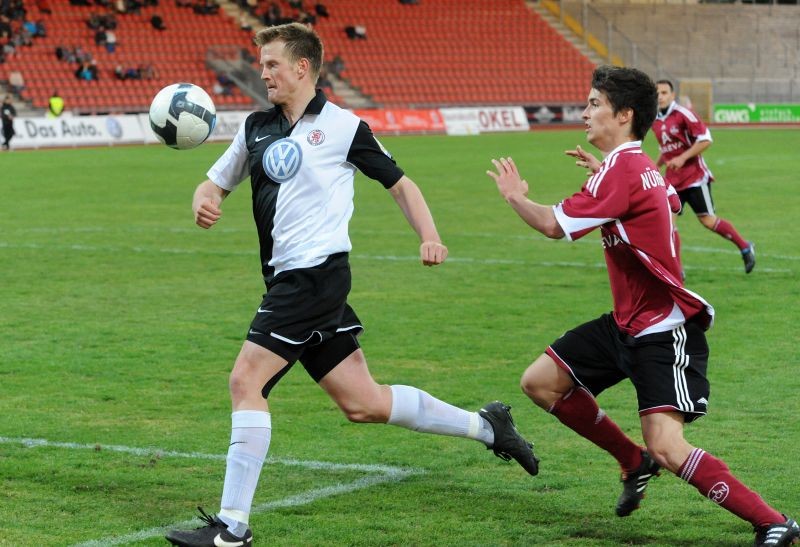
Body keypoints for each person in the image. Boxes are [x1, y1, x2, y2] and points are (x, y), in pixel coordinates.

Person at [165, 22, 538, 547]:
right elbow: (217, 179)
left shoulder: (344, 127)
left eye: (272, 64)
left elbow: (400, 184)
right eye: (262, 64)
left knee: (245, 382)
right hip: (290, 281)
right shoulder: (254, 127)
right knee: (363, 402)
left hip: (314, 278)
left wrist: (430, 235)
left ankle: (232, 527)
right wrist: (204, 197)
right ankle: (487, 426)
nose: (262, 72)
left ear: (302, 68)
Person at [486, 65, 798, 547]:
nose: (585, 112)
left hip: (662, 330)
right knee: (541, 383)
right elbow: (669, 202)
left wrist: (514, 197)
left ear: (625, 114)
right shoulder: (636, 167)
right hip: (627, 323)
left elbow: (553, 225)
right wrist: (604, 183)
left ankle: (773, 520)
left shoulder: (627, 168)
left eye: (594, 104)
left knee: (669, 447)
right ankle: (632, 460)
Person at [653, 79, 755, 274]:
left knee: (708, 220)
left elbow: (705, 139)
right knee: (668, 224)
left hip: (694, 177)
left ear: (672, 95)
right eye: (657, 93)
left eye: (664, 92)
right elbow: (666, 148)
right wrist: (656, 165)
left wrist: (683, 157)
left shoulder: (683, 114)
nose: (660, 96)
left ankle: (745, 247)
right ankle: (677, 270)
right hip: (672, 181)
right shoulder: (655, 120)